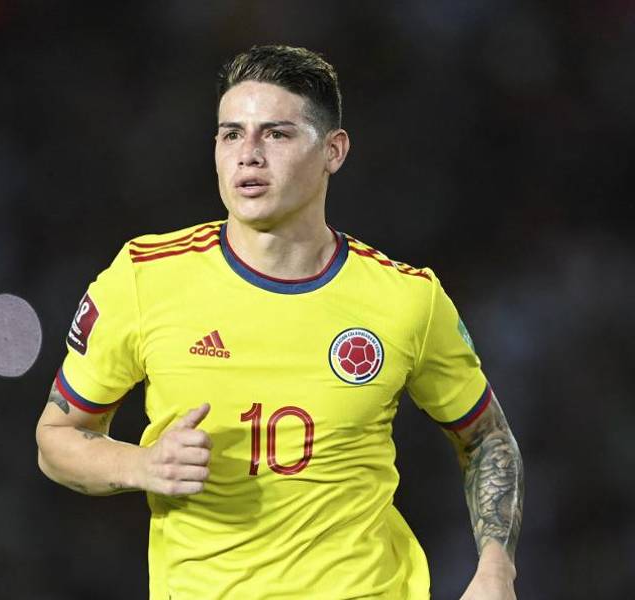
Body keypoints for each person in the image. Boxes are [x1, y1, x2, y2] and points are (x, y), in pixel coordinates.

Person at [35, 45, 524, 599]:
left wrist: (495, 570)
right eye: (229, 134)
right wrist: (141, 464)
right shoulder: (144, 278)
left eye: (276, 134)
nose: (247, 155)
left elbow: (485, 438)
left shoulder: (408, 299)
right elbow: (56, 438)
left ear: (333, 151)